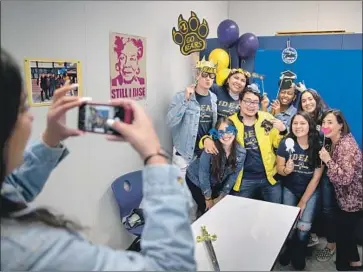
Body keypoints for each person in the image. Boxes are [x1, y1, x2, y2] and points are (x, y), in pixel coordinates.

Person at [0, 49, 196, 271]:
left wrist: (50, 139)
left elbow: (14, 188)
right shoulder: (36, 251)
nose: (31, 116)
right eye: (24, 107)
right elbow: (172, 266)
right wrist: (154, 154)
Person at [200, 85, 287, 203]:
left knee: (274, 213)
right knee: (241, 215)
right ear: (240, 102)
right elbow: (215, 137)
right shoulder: (231, 121)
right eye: (248, 101)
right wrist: (206, 139)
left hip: (269, 177)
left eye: (255, 102)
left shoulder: (266, 118)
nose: (251, 105)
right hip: (242, 179)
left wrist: (283, 131)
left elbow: (278, 144)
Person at [276, 112, 323, 270]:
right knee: (289, 225)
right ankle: (289, 249)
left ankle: (299, 251)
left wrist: (303, 201)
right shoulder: (285, 143)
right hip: (290, 188)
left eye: (302, 123)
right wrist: (286, 170)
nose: (298, 127)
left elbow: (316, 177)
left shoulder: (317, 145)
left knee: (304, 228)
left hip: (310, 191)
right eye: (295, 123)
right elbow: (279, 169)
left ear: (309, 125)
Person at [319, 109, 363, 271]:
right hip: (347, 198)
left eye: (330, 122)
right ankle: (355, 262)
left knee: (343, 238)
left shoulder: (346, 146)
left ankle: (344, 266)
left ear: (340, 125)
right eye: (324, 122)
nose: (325, 126)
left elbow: (345, 179)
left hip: (352, 201)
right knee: (348, 235)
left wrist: (328, 160)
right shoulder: (337, 140)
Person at [166, 58, 218, 180]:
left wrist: (211, 139)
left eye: (211, 75)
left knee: (195, 192)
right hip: (183, 154)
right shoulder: (181, 96)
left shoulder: (213, 98)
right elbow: (170, 121)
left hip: (202, 153)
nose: (208, 78)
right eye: (204, 74)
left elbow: (213, 126)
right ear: (197, 75)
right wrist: (185, 100)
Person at [185, 117, 246, 216]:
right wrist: (208, 198)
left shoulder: (241, 152)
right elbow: (203, 174)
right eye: (221, 132)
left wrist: (222, 195)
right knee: (207, 211)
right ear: (216, 134)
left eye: (229, 131)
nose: (225, 135)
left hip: (216, 181)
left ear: (235, 131)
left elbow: (234, 175)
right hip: (196, 180)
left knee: (218, 209)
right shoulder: (210, 148)